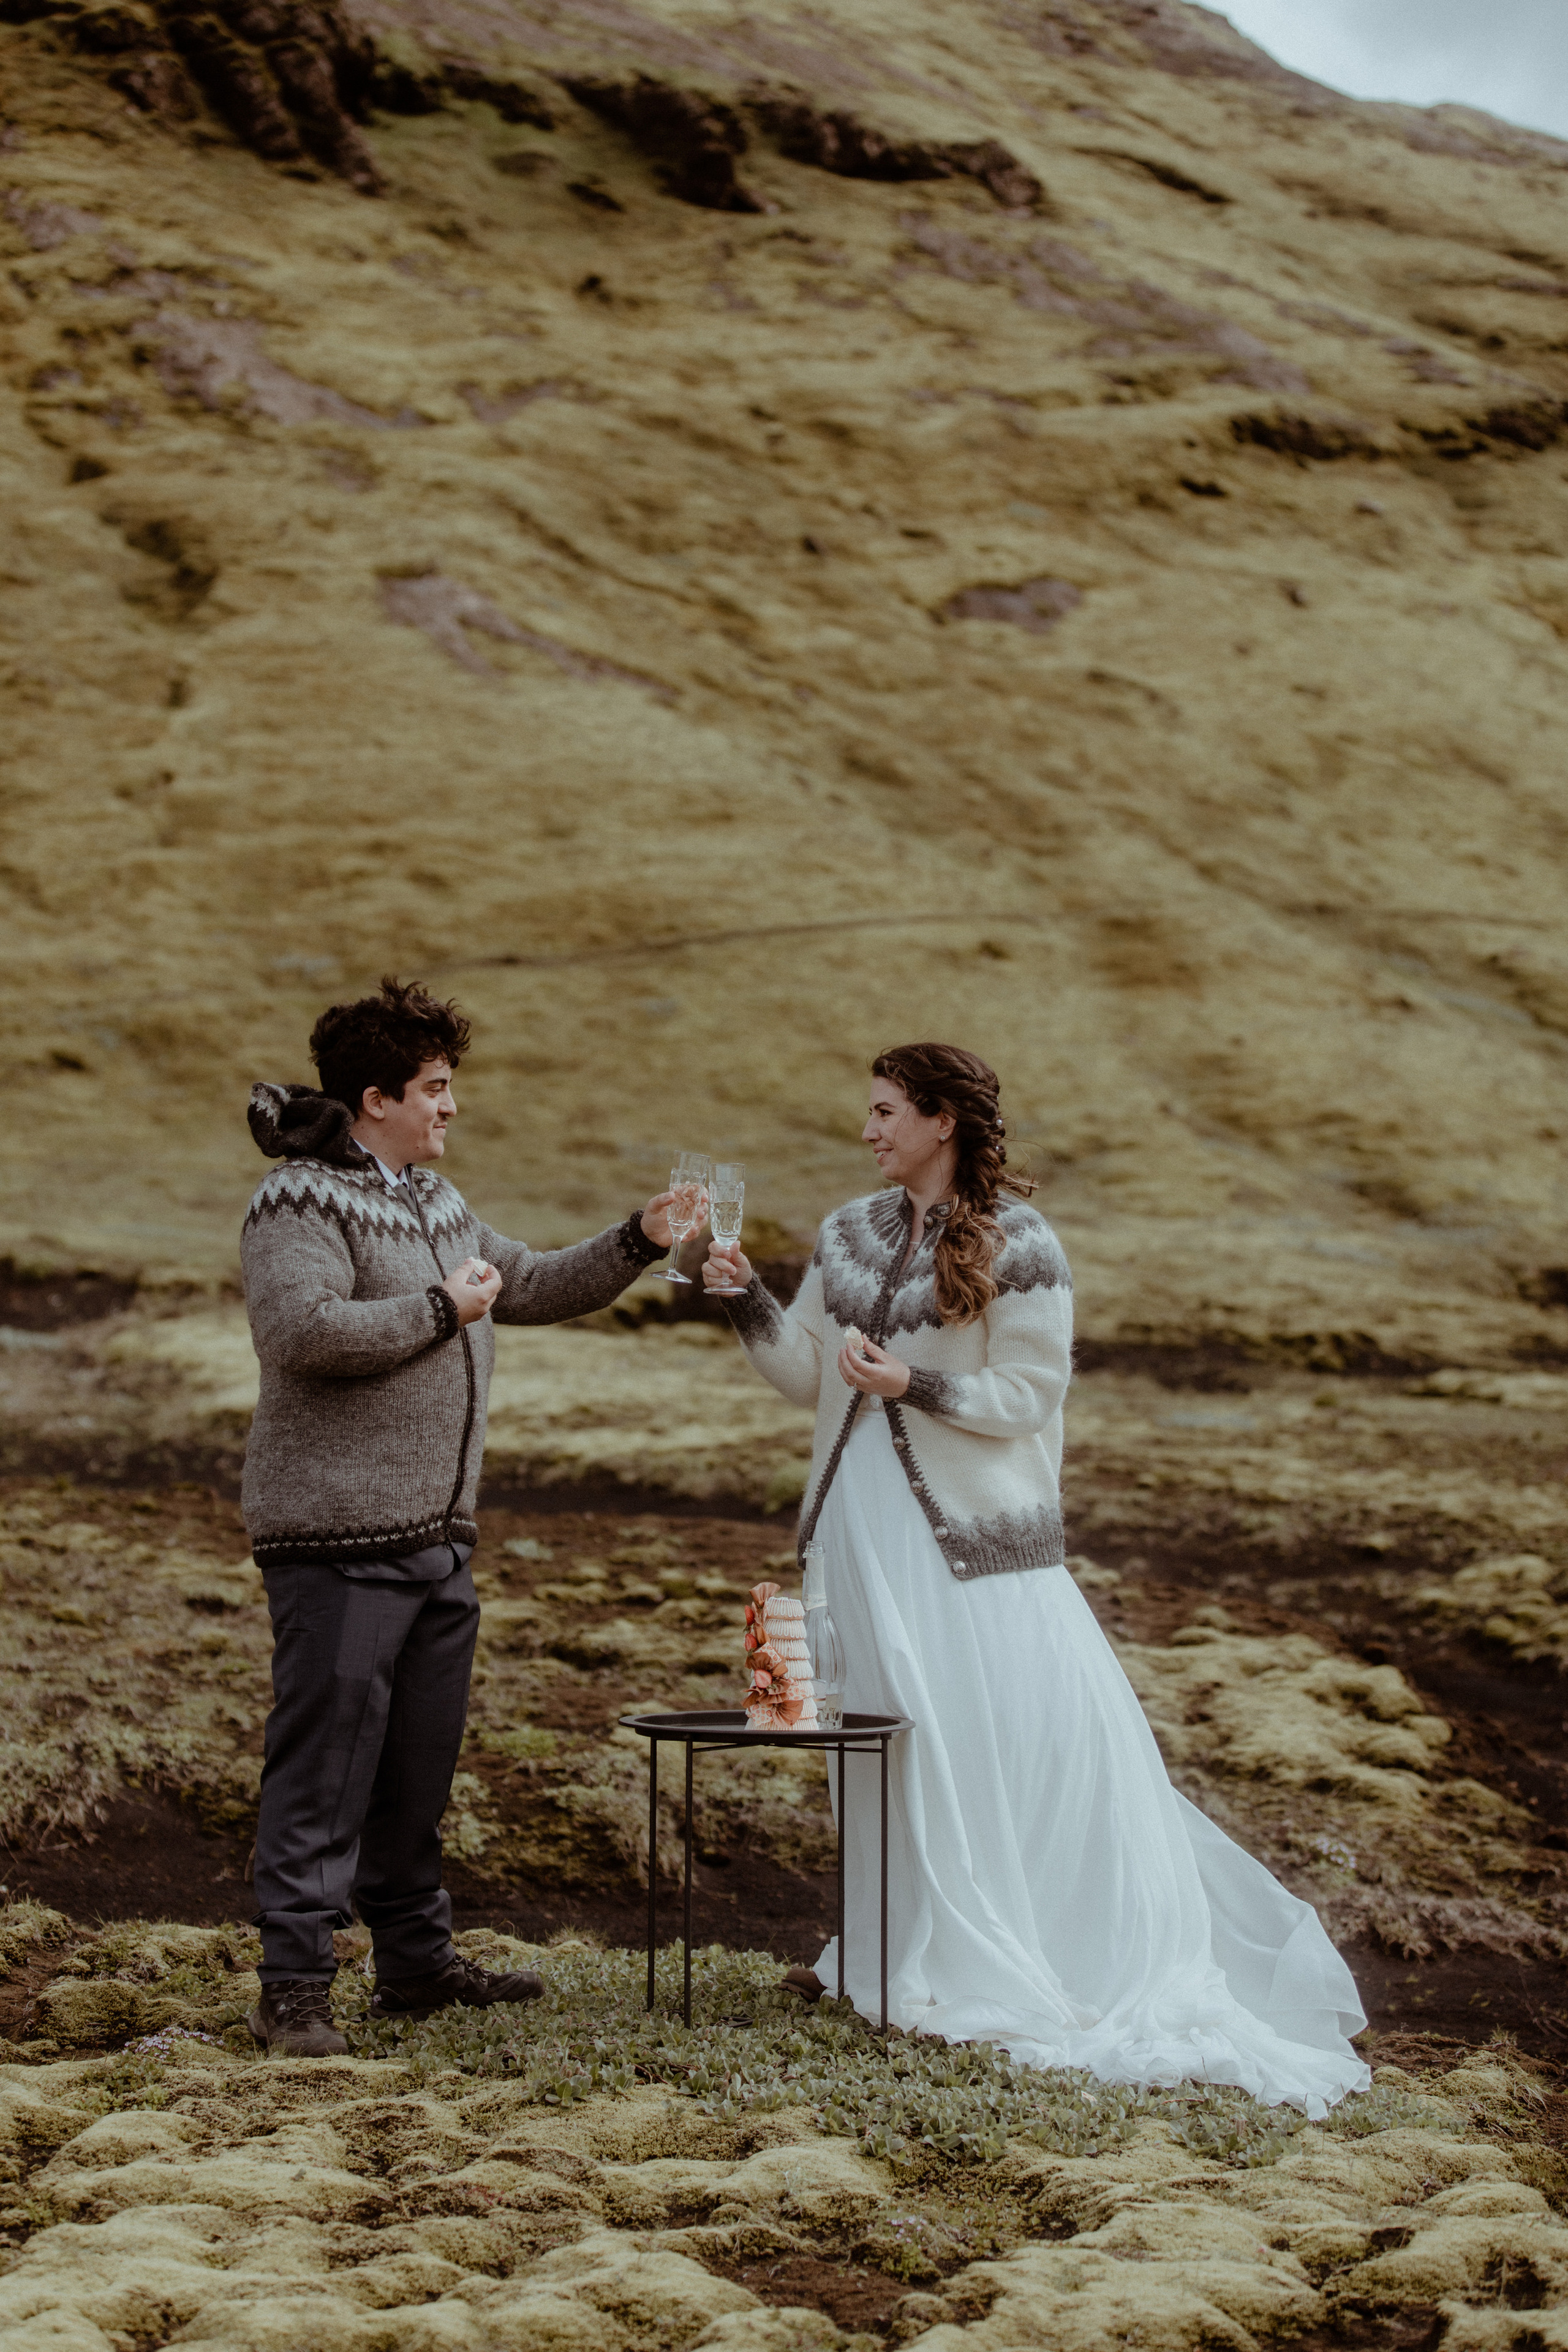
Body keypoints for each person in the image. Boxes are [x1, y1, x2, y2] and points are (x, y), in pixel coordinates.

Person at [704, 1042, 1370, 2113]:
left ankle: (1015, 1952)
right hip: (855, 1533)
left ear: (941, 1121)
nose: (868, 1131)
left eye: (884, 1113)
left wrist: (912, 1381)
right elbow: (803, 1373)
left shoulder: (1022, 1242)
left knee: (987, 1739)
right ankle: (894, 1959)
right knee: (878, 1744)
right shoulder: (842, 1231)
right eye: (868, 1112)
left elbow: (1030, 1393)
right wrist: (746, 1303)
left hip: (975, 1546)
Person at [241, 976, 675, 2057]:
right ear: (377, 1097)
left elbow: (526, 1281)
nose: (451, 1107)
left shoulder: (437, 1202)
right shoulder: (299, 1200)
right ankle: (292, 1990)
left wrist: (640, 1237)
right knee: (322, 1774)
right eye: (435, 1089)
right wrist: (444, 1308)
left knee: (415, 1775)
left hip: (438, 1547)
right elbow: (301, 1335)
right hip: (336, 1545)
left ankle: (416, 1969)